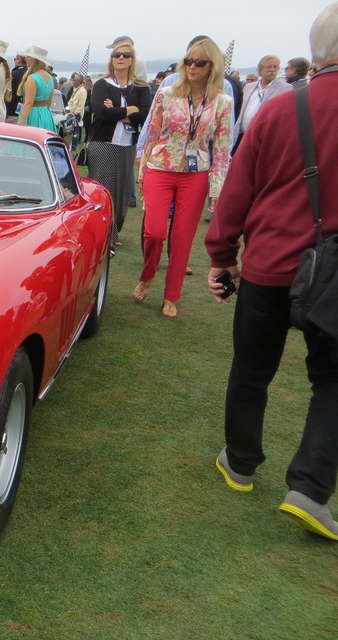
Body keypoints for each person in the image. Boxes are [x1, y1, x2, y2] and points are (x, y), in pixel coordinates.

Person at [206, 2, 338, 540]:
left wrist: (221, 255)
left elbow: (239, 189)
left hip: (269, 263)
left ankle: (239, 461)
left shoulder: (282, 109)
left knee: (253, 367)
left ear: (315, 52)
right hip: (333, 275)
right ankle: (309, 486)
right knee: (332, 381)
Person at [136, 38, 232, 317]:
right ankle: (148, 274)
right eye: (188, 61)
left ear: (211, 66)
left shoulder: (223, 102)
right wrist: (142, 168)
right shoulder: (166, 93)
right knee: (154, 232)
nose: (192, 67)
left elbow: (223, 150)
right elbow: (151, 134)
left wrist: (216, 190)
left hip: (196, 173)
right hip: (160, 167)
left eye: (199, 62)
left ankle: (171, 295)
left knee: (182, 237)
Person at [87, 41, 151, 247]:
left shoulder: (141, 87)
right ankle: (102, 234)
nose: (120, 58)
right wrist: (130, 110)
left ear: (132, 60)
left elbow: (145, 115)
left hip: (127, 145)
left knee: (122, 193)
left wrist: (117, 111)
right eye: (116, 55)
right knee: (104, 189)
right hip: (102, 143)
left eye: (125, 55)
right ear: (111, 60)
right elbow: (101, 112)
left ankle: (115, 232)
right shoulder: (102, 84)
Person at [233, 55, 292, 151]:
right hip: (241, 137)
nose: (272, 70)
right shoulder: (249, 86)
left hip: (264, 140)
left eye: (275, 67)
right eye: (269, 67)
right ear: (260, 71)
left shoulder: (286, 88)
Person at [16, 46, 57, 133]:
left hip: (32, 115)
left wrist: (19, 124)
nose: (26, 59)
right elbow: (49, 102)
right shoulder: (50, 78)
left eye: (29, 57)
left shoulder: (32, 78)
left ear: (34, 60)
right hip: (46, 114)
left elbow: (28, 103)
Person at [65, 72, 87, 150]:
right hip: (71, 112)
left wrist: (76, 113)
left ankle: (74, 146)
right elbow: (72, 101)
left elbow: (80, 105)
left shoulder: (82, 91)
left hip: (76, 114)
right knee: (72, 131)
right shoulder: (76, 90)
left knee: (76, 131)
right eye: (73, 80)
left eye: (75, 80)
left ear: (79, 81)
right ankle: (71, 145)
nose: (73, 82)